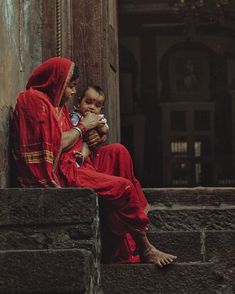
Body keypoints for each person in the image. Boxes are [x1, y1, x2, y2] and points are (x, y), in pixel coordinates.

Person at [12, 57, 177, 266]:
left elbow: (80, 136)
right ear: (57, 81)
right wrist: (82, 127)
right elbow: (55, 145)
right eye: (70, 86)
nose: (72, 93)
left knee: (118, 151)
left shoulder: (58, 106)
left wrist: (95, 136)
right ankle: (145, 247)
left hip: (80, 162)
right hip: (64, 171)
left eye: (74, 87)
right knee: (123, 187)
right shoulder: (35, 101)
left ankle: (118, 239)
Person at [69, 85, 109, 166]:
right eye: (88, 102)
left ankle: (81, 158)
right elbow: (72, 127)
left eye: (97, 106)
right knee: (84, 143)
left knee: (87, 144)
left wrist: (100, 129)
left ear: (101, 109)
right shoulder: (76, 115)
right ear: (79, 102)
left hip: (89, 147)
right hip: (75, 144)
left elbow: (105, 129)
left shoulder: (98, 118)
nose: (92, 107)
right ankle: (78, 160)